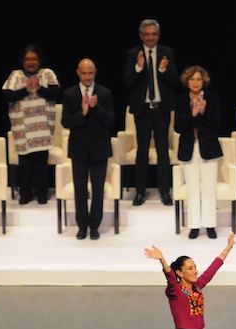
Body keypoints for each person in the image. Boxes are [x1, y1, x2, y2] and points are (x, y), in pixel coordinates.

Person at [124, 19, 179, 206]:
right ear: (141, 36)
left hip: (161, 109)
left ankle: (165, 191)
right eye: (146, 34)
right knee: (142, 151)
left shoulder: (166, 52)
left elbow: (174, 79)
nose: (150, 37)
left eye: (153, 34)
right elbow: (128, 82)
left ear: (158, 35)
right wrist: (138, 67)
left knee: (163, 151)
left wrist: (163, 69)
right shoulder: (134, 53)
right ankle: (140, 192)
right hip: (143, 110)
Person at [61, 59, 115, 240]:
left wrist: (96, 108)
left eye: (90, 73)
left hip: (100, 148)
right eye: (84, 73)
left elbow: (110, 121)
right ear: (78, 72)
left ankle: (94, 226)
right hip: (79, 149)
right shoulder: (69, 94)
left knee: (98, 189)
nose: (87, 77)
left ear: (95, 72)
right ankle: (82, 226)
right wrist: (82, 113)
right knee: (80, 189)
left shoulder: (104, 93)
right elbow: (65, 122)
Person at [3, 45, 60, 205]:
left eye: (34, 59)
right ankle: (25, 194)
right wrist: (26, 89)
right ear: (22, 61)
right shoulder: (16, 75)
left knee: (42, 163)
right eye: (27, 59)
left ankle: (42, 194)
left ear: (39, 60)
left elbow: (55, 93)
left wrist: (38, 88)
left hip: (43, 128)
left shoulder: (47, 74)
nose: (31, 62)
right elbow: (7, 95)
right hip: (23, 129)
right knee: (25, 164)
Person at [174, 66, 223, 239]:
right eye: (192, 79)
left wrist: (203, 113)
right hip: (189, 148)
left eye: (198, 79)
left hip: (208, 148)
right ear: (187, 81)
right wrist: (193, 114)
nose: (195, 82)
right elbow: (178, 127)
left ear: (204, 81)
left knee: (209, 188)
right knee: (193, 189)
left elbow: (217, 124)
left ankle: (210, 225)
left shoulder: (212, 98)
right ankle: (194, 225)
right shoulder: (181, 100)